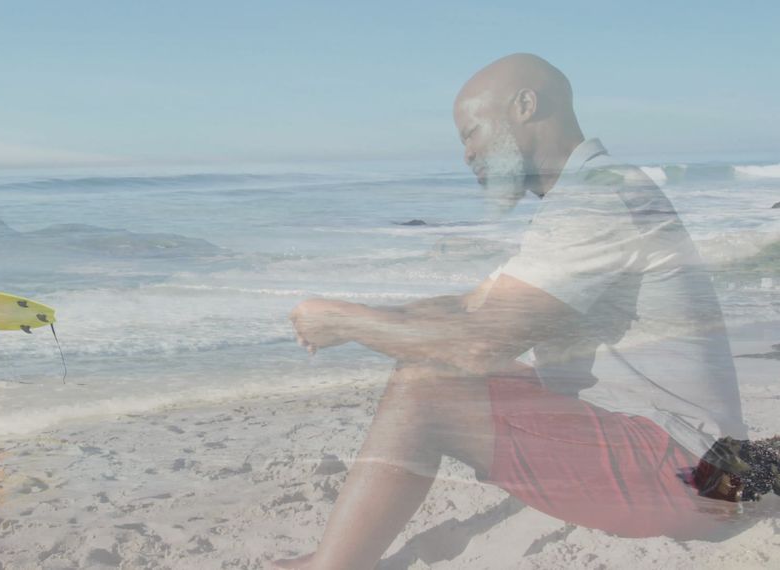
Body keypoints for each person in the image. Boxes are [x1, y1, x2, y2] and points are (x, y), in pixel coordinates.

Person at [272, 53, 747, 569]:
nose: (467, 155)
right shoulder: (589, 194)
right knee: (431, 366)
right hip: (694, 465)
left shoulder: (597, 200)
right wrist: (363, 313)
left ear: (525, 106)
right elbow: (469, 306)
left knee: (426, 385)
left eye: (471, 134)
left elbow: (479, 344)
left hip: (698, 479)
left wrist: (344, 321)